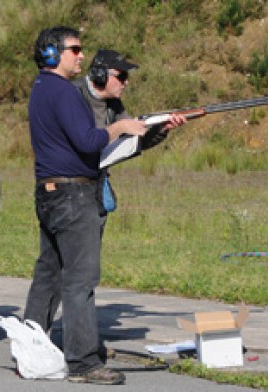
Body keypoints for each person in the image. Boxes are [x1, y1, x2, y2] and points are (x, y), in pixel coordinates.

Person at [23, 26, 183, 385]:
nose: (81, 55)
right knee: (80, 280)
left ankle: (31, 350)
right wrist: (122, 126)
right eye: (74, 49)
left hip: (50, 192)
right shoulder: (64, 91)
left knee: (48, 275)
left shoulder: (40, 88)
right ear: (52, 54)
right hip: (74, 196)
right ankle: (82, 362)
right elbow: (89, 140)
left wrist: (146, 130)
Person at [72, 49, 187, 358]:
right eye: (120, 76)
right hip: (68, 191)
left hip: (95, 190)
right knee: (68, 274)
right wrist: (121, 129)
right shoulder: (74, 97)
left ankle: (82, 341)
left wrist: (160, 129)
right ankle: (66, 342)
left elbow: (130, 144)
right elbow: (83, 141)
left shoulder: (114, 105)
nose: (125, 82)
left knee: (83, 273)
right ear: (99, 75)